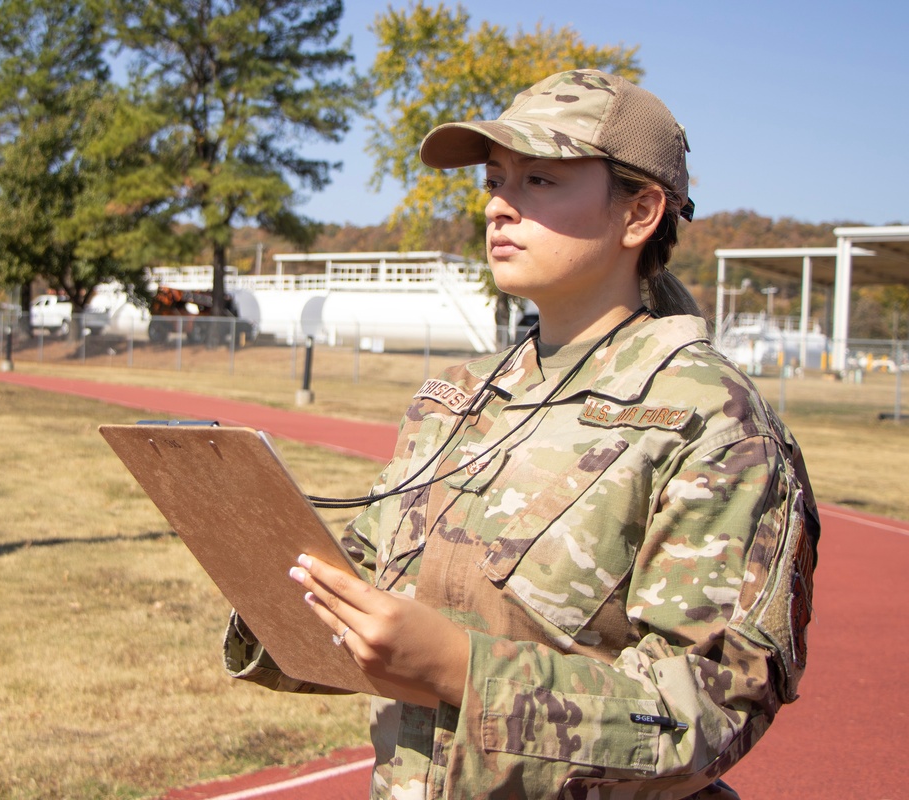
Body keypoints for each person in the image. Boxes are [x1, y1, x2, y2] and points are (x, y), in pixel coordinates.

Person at [224, 68, 819, 799]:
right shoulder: (458, 398)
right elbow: (366, 588)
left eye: (539, 181)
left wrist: (457, 667)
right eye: (496, 180)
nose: (500, 206)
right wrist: (262, 565)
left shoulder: (710, 421)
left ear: (640, 213)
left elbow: (711, 708)